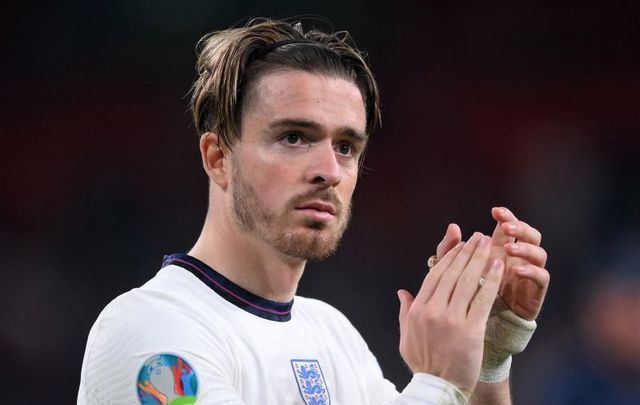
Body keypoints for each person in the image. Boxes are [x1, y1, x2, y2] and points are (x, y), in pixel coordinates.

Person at [77, 18, 549, 405]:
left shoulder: (331, 336)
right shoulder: (151, 333)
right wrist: (440, 383)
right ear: (218, 158)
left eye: (346, 146)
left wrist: (483, 363)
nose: (329, 170)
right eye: (294, 137)